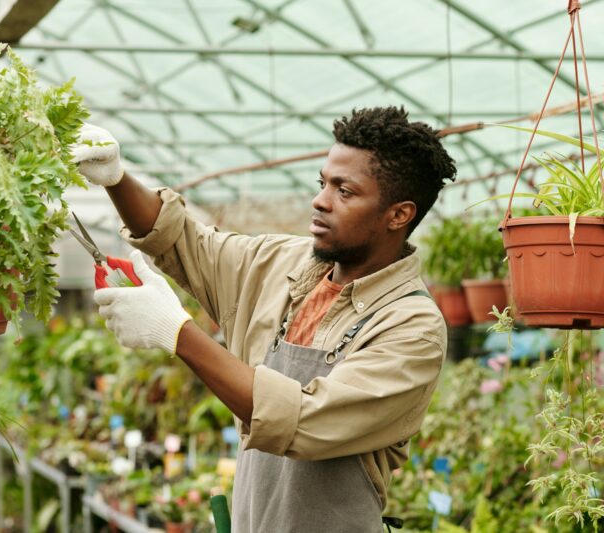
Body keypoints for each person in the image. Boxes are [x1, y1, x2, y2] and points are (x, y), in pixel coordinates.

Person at [71, 106, 457, 532]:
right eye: (322, 183)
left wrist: (175, 331)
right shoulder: (280, 264)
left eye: (344, 191)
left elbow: (304, 421)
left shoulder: (412, 327)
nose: (320, 200)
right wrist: (116, 178)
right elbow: (182, 241)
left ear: (398, 215)